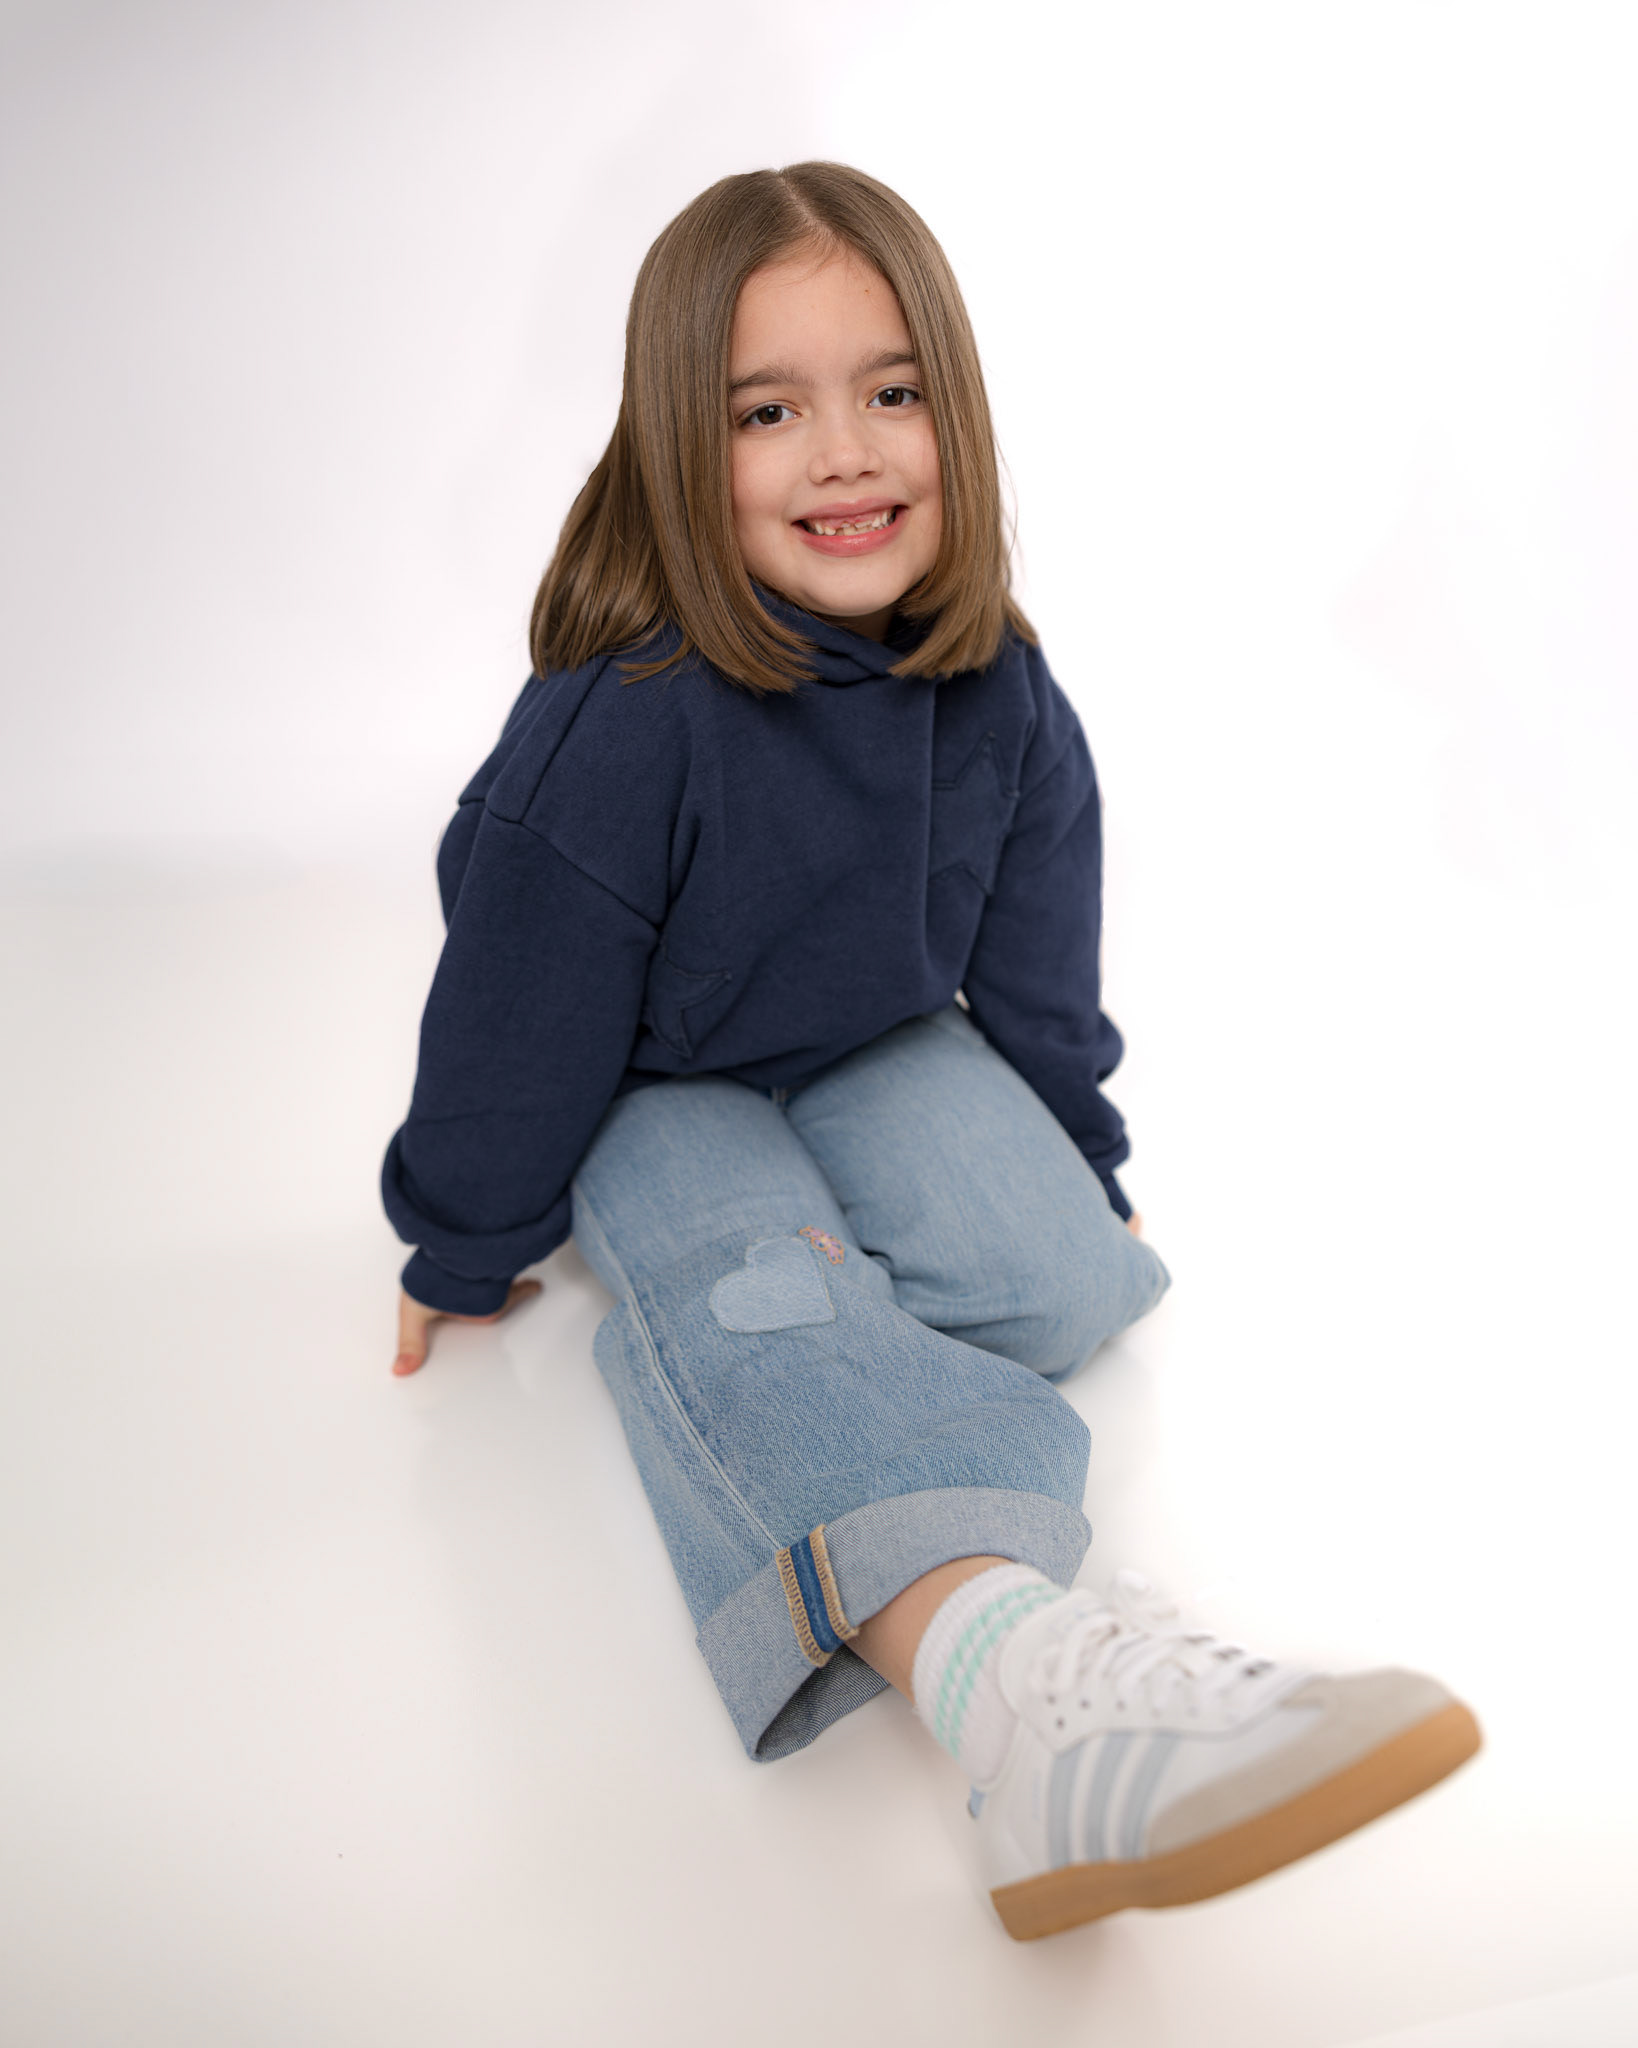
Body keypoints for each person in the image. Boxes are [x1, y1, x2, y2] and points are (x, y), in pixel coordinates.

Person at [379, 161, 1480, 1941]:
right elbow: (514, 1012)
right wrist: (462, 1237)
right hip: (645, 1075)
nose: (844, 454)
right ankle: (1025, 1686)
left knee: (1066, 1283)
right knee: (756, 1294)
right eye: (766, 412)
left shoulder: (997, 687)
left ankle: (829, 1348)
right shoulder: (625, 724)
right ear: (676, 449)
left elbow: (1035, 957)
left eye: (890, 393)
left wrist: (1083, 1160)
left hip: (867, 1037)